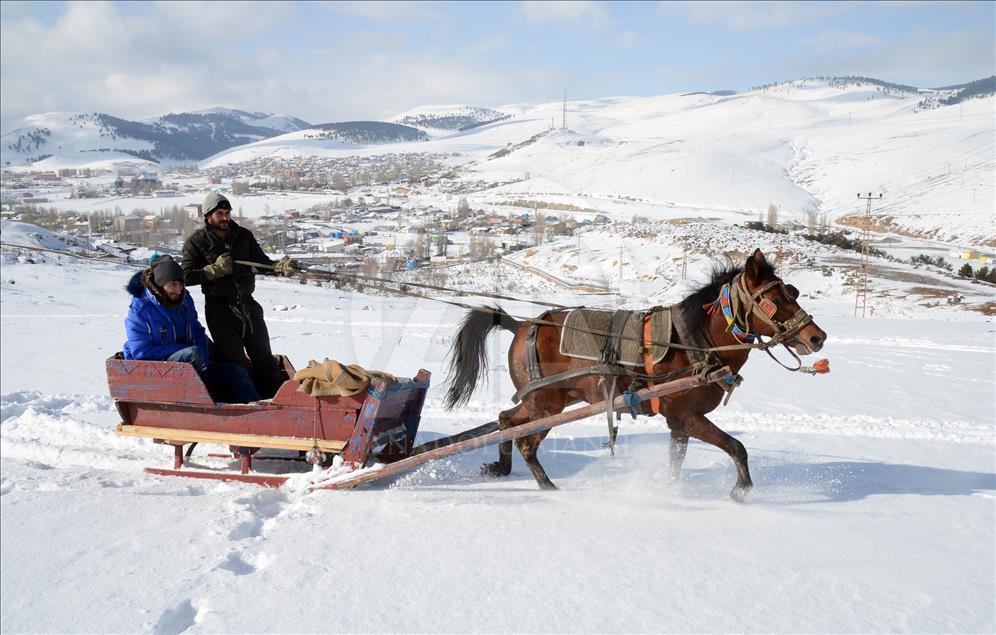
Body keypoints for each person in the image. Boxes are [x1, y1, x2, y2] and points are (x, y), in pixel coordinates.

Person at [182, 192, 298, 397]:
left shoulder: (243, 236)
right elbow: (185, 277)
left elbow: (261, 263)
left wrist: (279, 267)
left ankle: (276, 402)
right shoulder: (196, 243)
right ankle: (247, 405)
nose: (225, 217)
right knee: (236, 362)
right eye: (220, 213)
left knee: (264, 359)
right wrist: (212, 271)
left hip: (248, 306)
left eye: (227, 213)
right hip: (220, 310)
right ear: (208, 215)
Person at [123, 255, 260, 403]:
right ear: (160, 283)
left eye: (181, 284)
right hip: (158, 368)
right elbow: (141, 352)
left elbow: (196, 329)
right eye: (173, 284)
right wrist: (188, 349)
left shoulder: (184, 300)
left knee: (235, 370)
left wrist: (204, 357)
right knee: (193, 353)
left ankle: (257, 409)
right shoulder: (141, 310)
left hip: (191, 363)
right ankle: (211, 403)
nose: (178, 290)